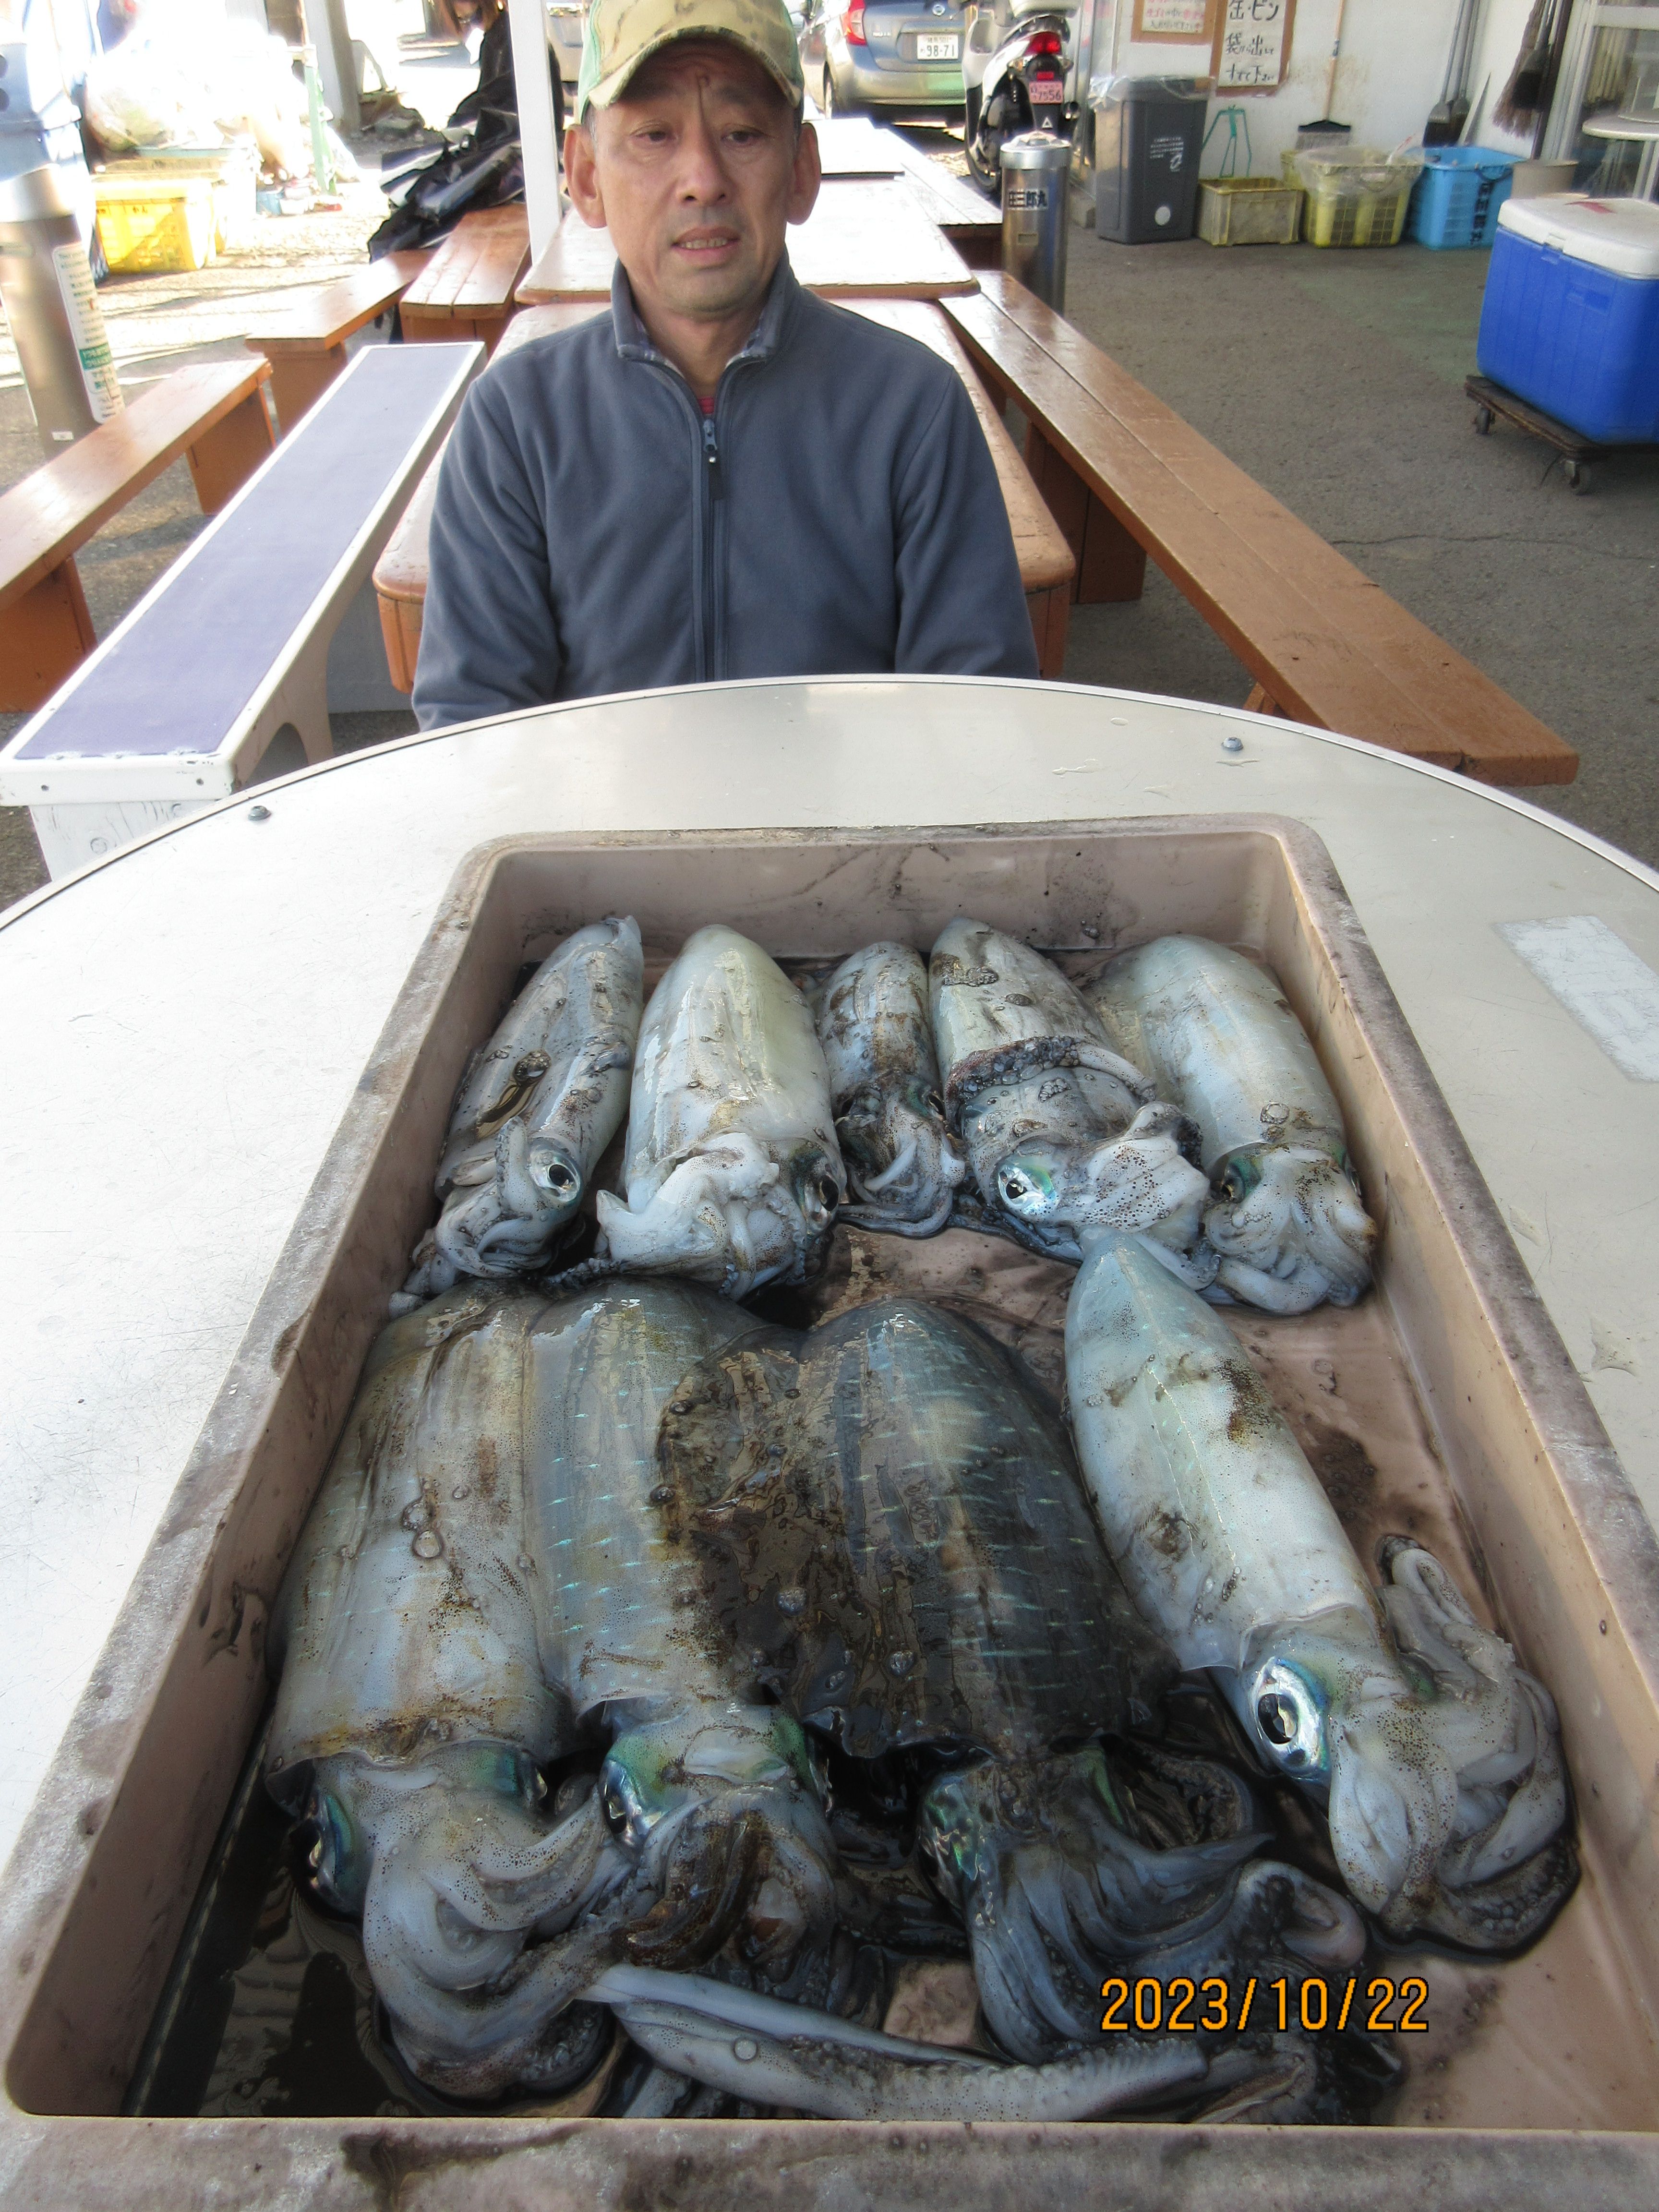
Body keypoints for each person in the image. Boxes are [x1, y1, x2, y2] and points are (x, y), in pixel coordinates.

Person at [411, 0, 1038, 728]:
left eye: (742, 134)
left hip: (855, 805)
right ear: (585, 175)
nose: (703, 179)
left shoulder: (913, 410)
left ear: (801, 170)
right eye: (654, 135)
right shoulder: (516, 424)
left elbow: (976, 716)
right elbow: (473, 730)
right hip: (596, 807)